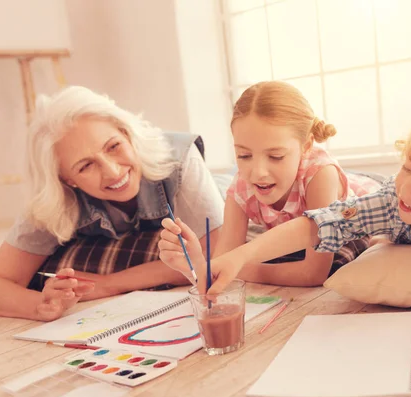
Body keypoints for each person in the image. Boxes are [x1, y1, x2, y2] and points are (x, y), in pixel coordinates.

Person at [163, 99, 411, 294]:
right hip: (365, 193)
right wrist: (239, 256)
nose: (408, 188)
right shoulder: (392, 201)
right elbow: (314, 224)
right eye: (407, 167)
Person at [0, 86, 224, 321]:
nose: (113, 172)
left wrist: (108, 283)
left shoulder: (179, 158)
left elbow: (213, 256)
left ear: (126, 133)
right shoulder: (53, 196)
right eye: (86, 166)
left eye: (113, 146)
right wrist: (41, 305)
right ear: (66, 179)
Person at [159, 81, 380, 287]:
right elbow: (220, 267)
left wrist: (239, 268)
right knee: (270, 256)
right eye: (244, 155)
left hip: (358, 202)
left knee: (342, 263)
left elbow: (313, 274)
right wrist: (198, 262)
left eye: (275, 156)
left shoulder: (321, 175)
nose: (258, 173)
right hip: (292, 232)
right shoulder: (241, 187)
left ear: (306, 146)